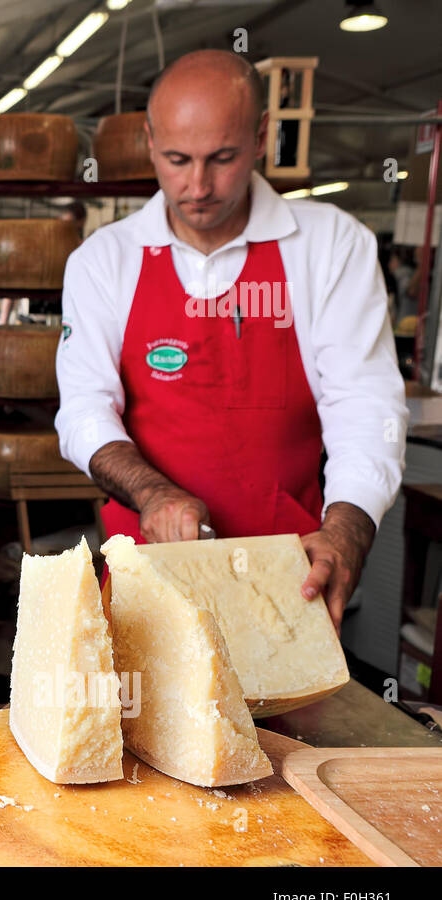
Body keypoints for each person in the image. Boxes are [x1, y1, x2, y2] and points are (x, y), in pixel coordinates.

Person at [56, 49, 407, 629]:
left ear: (262, 136)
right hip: (147, 572)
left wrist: (348, 529)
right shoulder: (105, 260)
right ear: (148, 141)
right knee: (141, 716)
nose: (198, 186)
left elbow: (365, 405)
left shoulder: (330, 246)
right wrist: (152, 494)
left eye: (222, 158)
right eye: (176, 160)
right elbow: (83, 410)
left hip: (288, 577)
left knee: (284, 722)